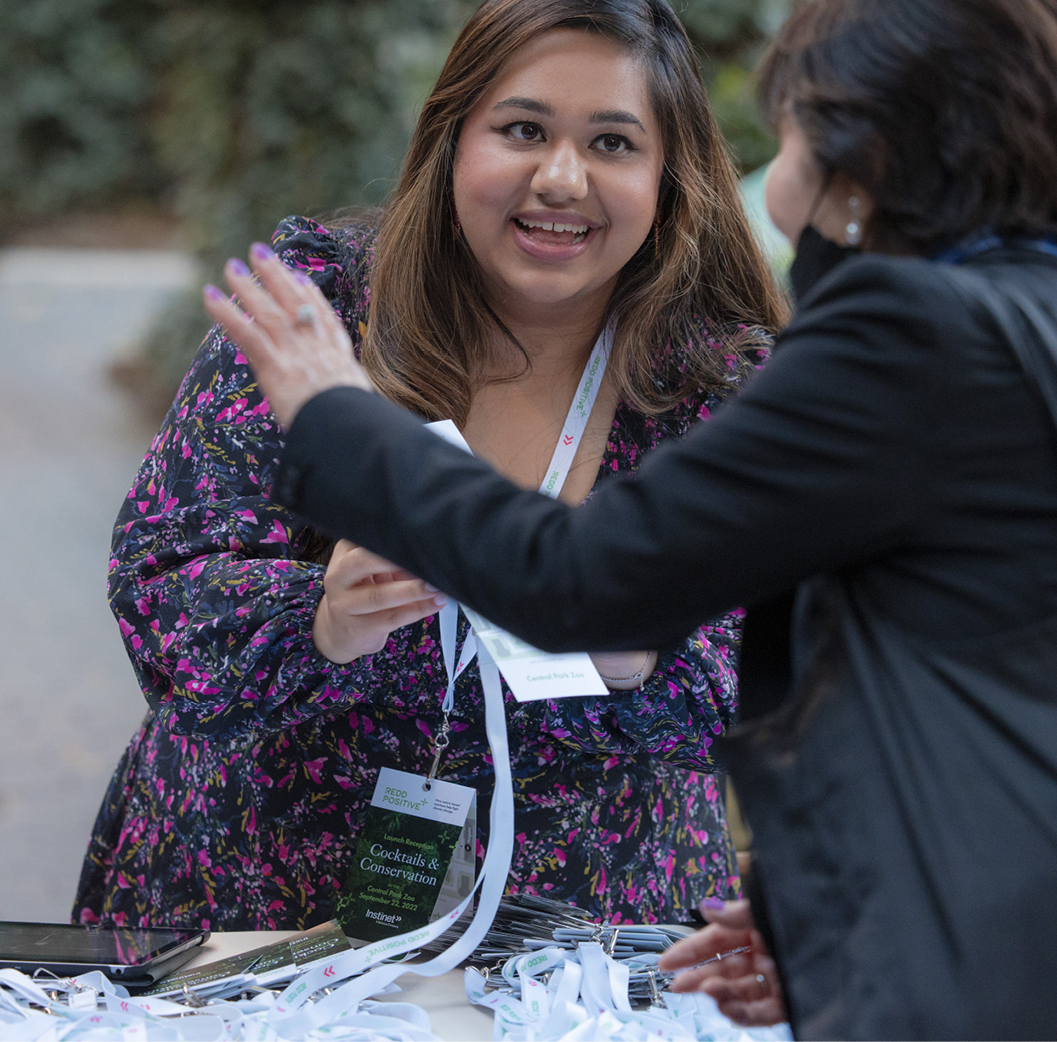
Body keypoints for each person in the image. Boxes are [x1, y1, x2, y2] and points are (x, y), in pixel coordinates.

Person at [204, 0, 1057, 1036]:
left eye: (784, 128)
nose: (562, 175)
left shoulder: (906, 333)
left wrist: (332, 411)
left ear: (858, 156)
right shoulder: (1025, 318)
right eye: (522, 129)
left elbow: (578, 581)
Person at [74, 0, 786, 931]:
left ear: (669, 175)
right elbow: (161, 597)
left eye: (613, 143)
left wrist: (639, 653)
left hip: (578, 950)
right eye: (522, 129)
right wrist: (322, 621)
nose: (561, 178)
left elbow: (794, 676)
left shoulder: (724, 388)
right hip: (253, 912)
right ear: (452, 137)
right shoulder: (319, 315)